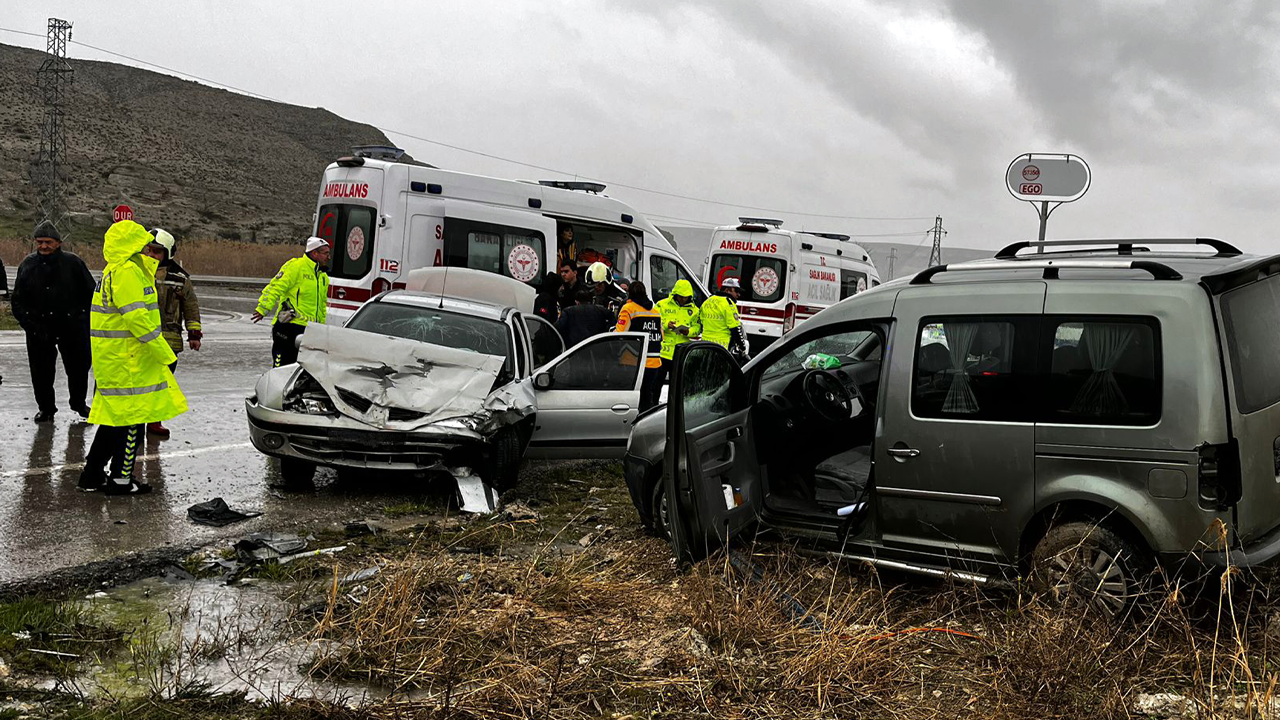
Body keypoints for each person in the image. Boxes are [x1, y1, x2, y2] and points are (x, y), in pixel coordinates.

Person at [78, 220, 188, 495]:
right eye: (145, 248)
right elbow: (138, 320)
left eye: (153, 250)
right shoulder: (128, 272)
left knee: (114, 422)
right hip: (129, 360)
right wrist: (163, 352)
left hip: (119, 359)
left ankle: (92, 476)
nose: (150, 254)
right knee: (131, 424)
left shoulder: (116, 270)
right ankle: (121, 480)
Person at [11, 223, 96, 422]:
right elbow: (17, 300)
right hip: (38, 330)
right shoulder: (27, 265)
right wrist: (28, 324)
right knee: (41, 373)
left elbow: (91, 294)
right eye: (40, 242)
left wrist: (82, 319)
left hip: (72, 329)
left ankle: (78, 403)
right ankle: (46, 408)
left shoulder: (74, 263)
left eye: (48, 242)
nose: (44, 246)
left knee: (78, 369)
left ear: (58, 243)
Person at [140, 229, 202, 438]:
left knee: (162, 383)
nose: (151, 256)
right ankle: (137, 422)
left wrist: (194, 333)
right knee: (141, 382)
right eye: (148, 251)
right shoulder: (136, 272)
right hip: (142, 340)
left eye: (157, 252)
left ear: (168, 253)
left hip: (169, 340)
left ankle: (155, 420)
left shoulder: (180, 278)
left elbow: (190, 306)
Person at [252, 237, 330, 367]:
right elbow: (275, 287)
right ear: (314, 253)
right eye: (325, 253)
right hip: (289, 327)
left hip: (310, 330)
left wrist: (320, 328)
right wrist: (263, 308)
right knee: (282, 368)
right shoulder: (295, 266)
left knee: (302, 370)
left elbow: (321, 306)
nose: (328, 257)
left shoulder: (322, 276)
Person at [614, 281, 664, 411]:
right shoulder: (655, 312)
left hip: (633, 362)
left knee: (631, 399)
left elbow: (620, 333)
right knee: (647, 397)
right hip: (654, 362)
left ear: (630, 294)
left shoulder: (628, 309)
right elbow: (661, 336)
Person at [654, 278, 701, 388]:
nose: (683, 299)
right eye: (680, 296)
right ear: (675, 294)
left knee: (676, 387)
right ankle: (653, 405)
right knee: (655, 385)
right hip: (662, 352)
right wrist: (666, 325)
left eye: (686, 297)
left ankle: (672, 406)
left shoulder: (695, 311)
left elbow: (697, 328)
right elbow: (654, 322)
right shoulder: (662, 305)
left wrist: (688, 332)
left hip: (680, 353)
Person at [700, 276, 749, 362]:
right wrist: (742, 348)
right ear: (727, 290)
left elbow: (700, 322)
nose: (738, 294)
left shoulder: (707, 301)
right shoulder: (728, 304)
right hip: (721, 349)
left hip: (704, 347)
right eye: (736, 291)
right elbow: (735, 328)